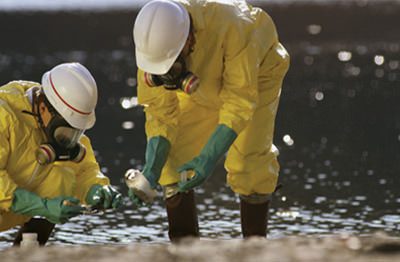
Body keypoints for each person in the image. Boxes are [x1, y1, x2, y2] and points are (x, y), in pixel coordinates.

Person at [130, 0, 289, 241]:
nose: (166, 74)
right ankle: (184, 246)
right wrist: (150, 171)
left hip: (258, 71)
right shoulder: (153, 48)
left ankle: (256, 244)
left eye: (171, 65)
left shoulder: (235, 25)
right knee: (172, 158)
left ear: (188, 40)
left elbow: (238, 102)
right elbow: (160, 115)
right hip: (202, 79)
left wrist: (207, 158)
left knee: (249, 159)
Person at [0, 62, 122, 246]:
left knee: (62, 179)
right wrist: (43, 206)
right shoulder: (5, 116)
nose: (69, 140)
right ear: (43, 109)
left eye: (76, 132)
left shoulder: (54, 121)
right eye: (66, 131)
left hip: (10, 211)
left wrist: (96, 189)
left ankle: (26, 253)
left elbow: (83, 170)